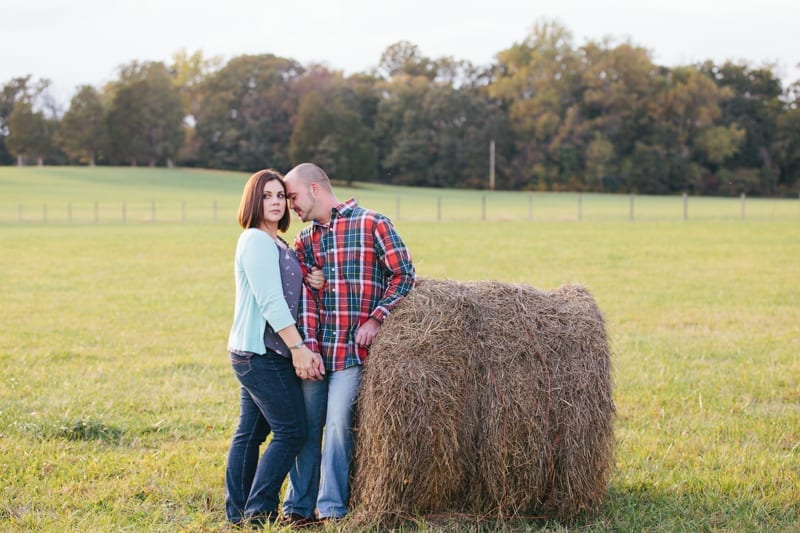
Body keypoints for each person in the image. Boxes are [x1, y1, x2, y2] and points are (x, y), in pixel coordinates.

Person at [281, 163, 416, 523]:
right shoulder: (305, 240)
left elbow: (403, 274)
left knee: (339, 427)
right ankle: (297, 507)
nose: (289, 204)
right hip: (317, 353)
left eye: (292, 195)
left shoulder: (373, 223)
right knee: (306, 430)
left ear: (313, 189)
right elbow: (306, 300)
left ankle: (330, 509)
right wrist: (307, 347)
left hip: (352, 354)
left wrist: (377, 317)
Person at [224, 168, 326, 526]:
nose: (275, 202)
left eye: (280, 196)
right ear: (253, 200)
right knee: (292, 430)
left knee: (251, 433)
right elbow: (270, 300)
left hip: (268, 352)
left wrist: (314, 278)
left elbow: (289, 287)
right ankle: (259, 511)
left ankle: (237, 513)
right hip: (258, 354)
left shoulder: (277, 242)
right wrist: (298, 347)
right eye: (266, 196)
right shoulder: (253, 240)